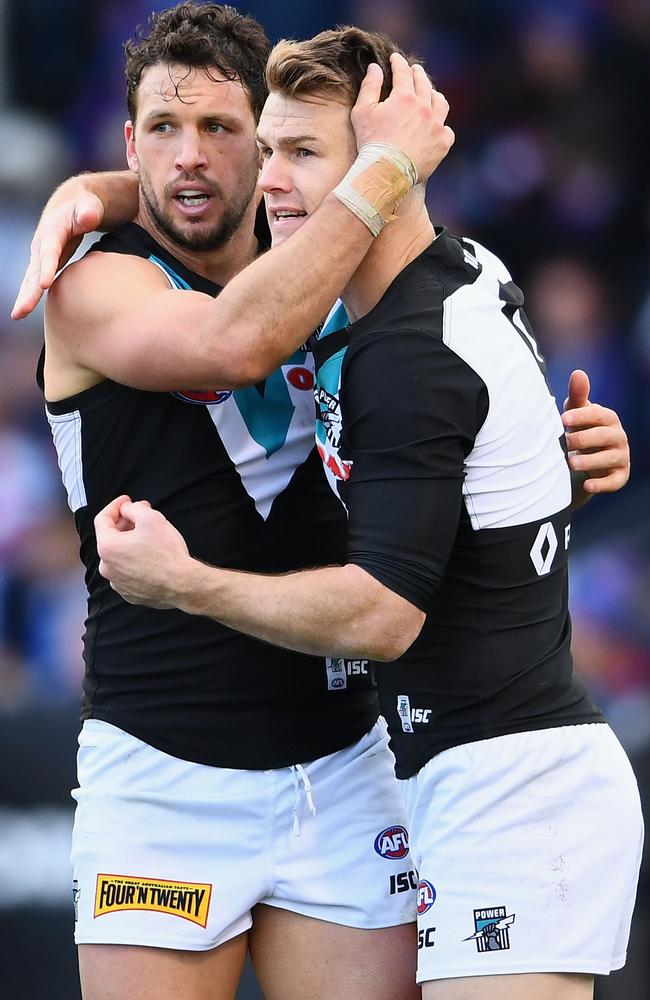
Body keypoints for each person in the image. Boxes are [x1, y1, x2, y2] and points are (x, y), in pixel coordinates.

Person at [93, 26, 642, 1000]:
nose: (269, 181)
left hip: (511, 793)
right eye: (268, 151)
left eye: (304, 153)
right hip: (451, 782)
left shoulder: (405, 347)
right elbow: (468, 478)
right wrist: (553, 471)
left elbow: (382, 613)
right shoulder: (456, 273)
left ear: (385, 172)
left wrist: (183, 584)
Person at [21, 6, 458, 1000]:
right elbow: (233, 341)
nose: (189, 157)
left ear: (260, 143)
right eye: (163, 131)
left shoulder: (328, 256)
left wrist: (554, 445)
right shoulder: (92, 292)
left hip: (346, 761)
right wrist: (378, 173)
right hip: (162, 773)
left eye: (221, 129)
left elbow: (453, 360)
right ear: (129, 145)